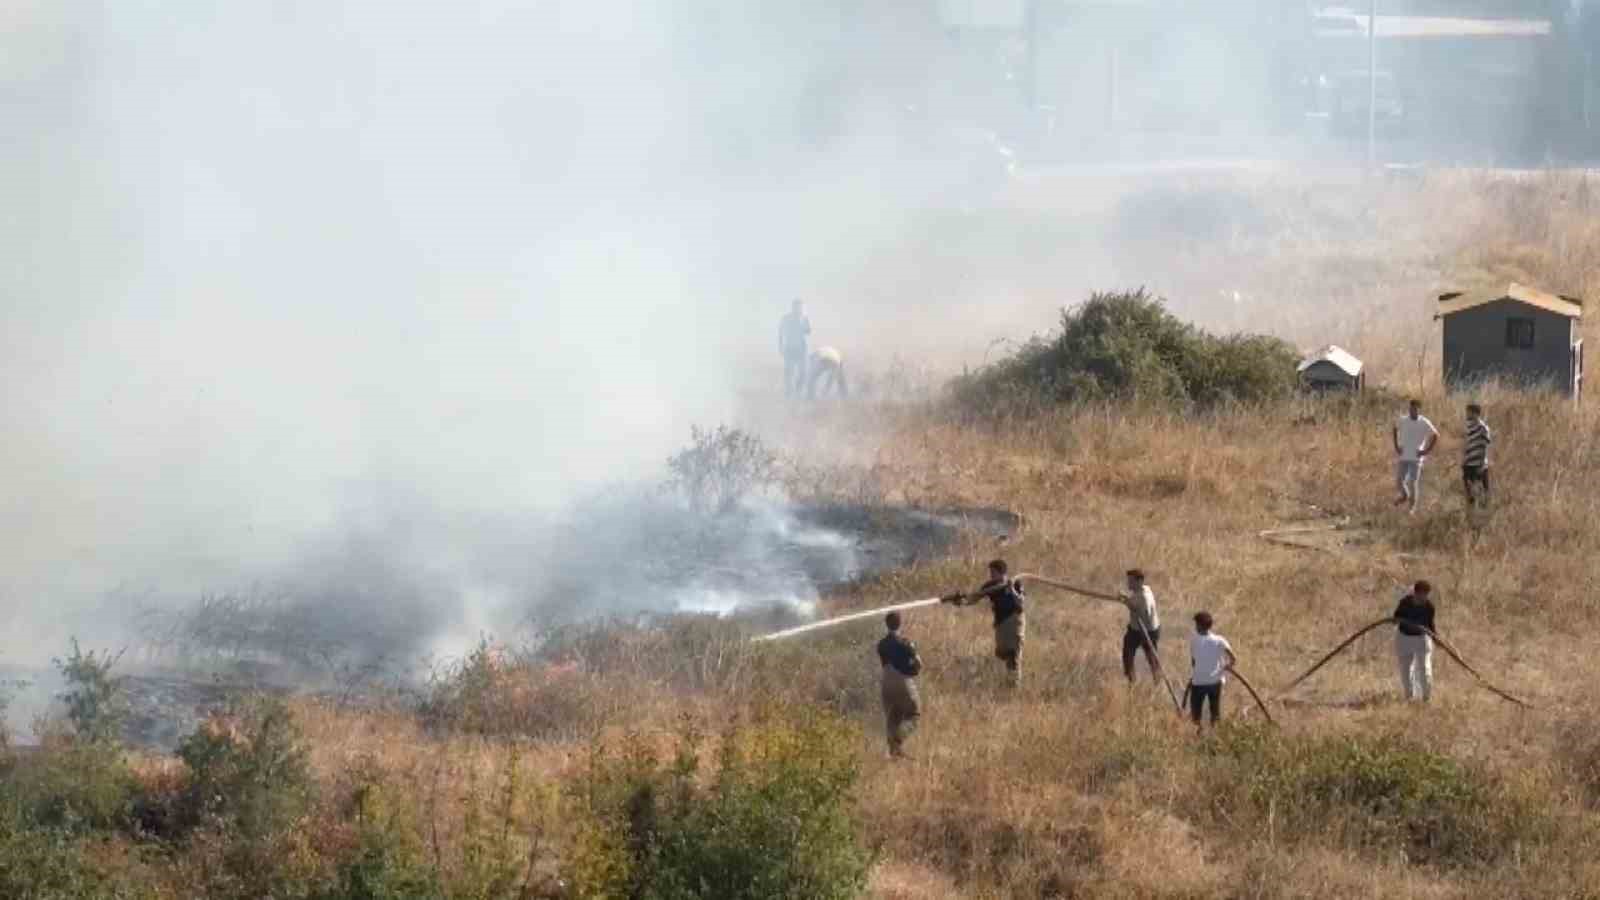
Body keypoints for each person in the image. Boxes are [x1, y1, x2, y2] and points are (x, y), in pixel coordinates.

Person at [943, 559, 1026, 688]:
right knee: (1002, 652)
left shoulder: (1016, 583)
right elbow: (973, 599)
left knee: (1013, 652)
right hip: (1000, 624)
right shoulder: (990, 586)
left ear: (1002, 572)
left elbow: (1020, 602)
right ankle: (1010, 679)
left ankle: (1014, 685)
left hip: (1014, 621)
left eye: (993, 572)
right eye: (991, 572)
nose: (991, 575)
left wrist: (1011, 589)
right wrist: (960, 601)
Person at [877, 611, 923, 758]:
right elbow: (919, 664)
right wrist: (912, 670)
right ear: (900, 623)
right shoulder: (906, 643)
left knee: (892, 717)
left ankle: (894, 753)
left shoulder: (881, 644)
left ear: (886, 624)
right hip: (902, 681)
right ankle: (897, 740)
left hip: (885, 682)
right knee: (914, 714)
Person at [1188, 611, 1235, 731]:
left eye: (1196, 624)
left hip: (1198, 682)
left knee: (1195, 713)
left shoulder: (1194, 640)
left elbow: (1194, 663)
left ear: (1199, 625)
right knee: (1215, 711)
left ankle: (1198, 733)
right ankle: (1215, 733)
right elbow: (1233, 659)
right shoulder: (1219, 640)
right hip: (1215, 682)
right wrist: (1225, 667)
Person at [1392, 398, 1439, 514]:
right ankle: (1404, 496)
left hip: (1416, 458)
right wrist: (1396, 446)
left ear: (1419, 409)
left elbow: (1436, 435)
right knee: (1399, 481)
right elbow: (1394, 429)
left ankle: (1411, 509)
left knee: (1413, 483)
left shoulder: (1424, 422)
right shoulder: (1403, 420)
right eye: (1411, 408)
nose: (1412, 410)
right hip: (1404, 456)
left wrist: (1426, 451)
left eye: (1415, 408)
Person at [1393, 580, 1436, 702]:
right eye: (1421, 595)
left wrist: (1434, 637)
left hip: (1421, 639)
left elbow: (1430, 625)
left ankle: (1426, 699)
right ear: (1415, 594)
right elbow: (1396, 618)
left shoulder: (1429, 607)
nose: (1423, 598)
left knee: (1425, 670)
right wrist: (1399, 620)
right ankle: (1409, 697)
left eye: (1426, 595)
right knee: (1406, 670)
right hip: (1404, 638)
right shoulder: (1405, 603)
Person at [1120, 569, 1161, 685]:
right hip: (1135, 629)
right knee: (1127, 654)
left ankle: (1157, 681)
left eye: (1131, 581)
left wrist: (1127, 602)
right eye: (1128, 581)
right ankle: (1131, 682)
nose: (1128, 584)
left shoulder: (1145, 597)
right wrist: (1127, 600)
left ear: (1140, 581)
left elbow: (1144, 614)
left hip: (1147, 631)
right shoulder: (1144, 589)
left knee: (1151, 657)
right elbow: (1134, 602)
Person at [778, 299, 811, 397]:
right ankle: (788, 393)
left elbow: (808, 331)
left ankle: (798, 392)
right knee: (789, 372)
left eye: (801, 307)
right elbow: (780, 333)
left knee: (803, 372)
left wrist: (803, 323)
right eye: (797, 307)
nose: (799, 309)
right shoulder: (786, 318)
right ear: (793, 307)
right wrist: (780, 347)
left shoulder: (805, 318)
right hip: (790, 348)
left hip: (802, 349)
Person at [1462, 403, 1492, 508]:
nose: (1467, 414)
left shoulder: (1483, 428)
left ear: (1475, 413)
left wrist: (1482, 464)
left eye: (1469, 412)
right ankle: (1472, 512)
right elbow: (1466, 444)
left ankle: (1484, 511)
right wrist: (1463, 460)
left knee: (1482, 490)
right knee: (1469, 491)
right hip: (1468, 463)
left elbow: (1485, 447)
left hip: (1479, 464)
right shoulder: (1468, 426)